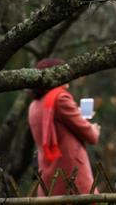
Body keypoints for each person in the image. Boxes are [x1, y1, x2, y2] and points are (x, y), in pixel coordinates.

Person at [27, 58, 101, 196]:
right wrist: (94, 128)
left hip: (49, 172)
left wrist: (76, 114)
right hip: (71, 173)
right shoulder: (60, 98)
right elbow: (91, 136)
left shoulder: (34, 106)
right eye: (62, 72)